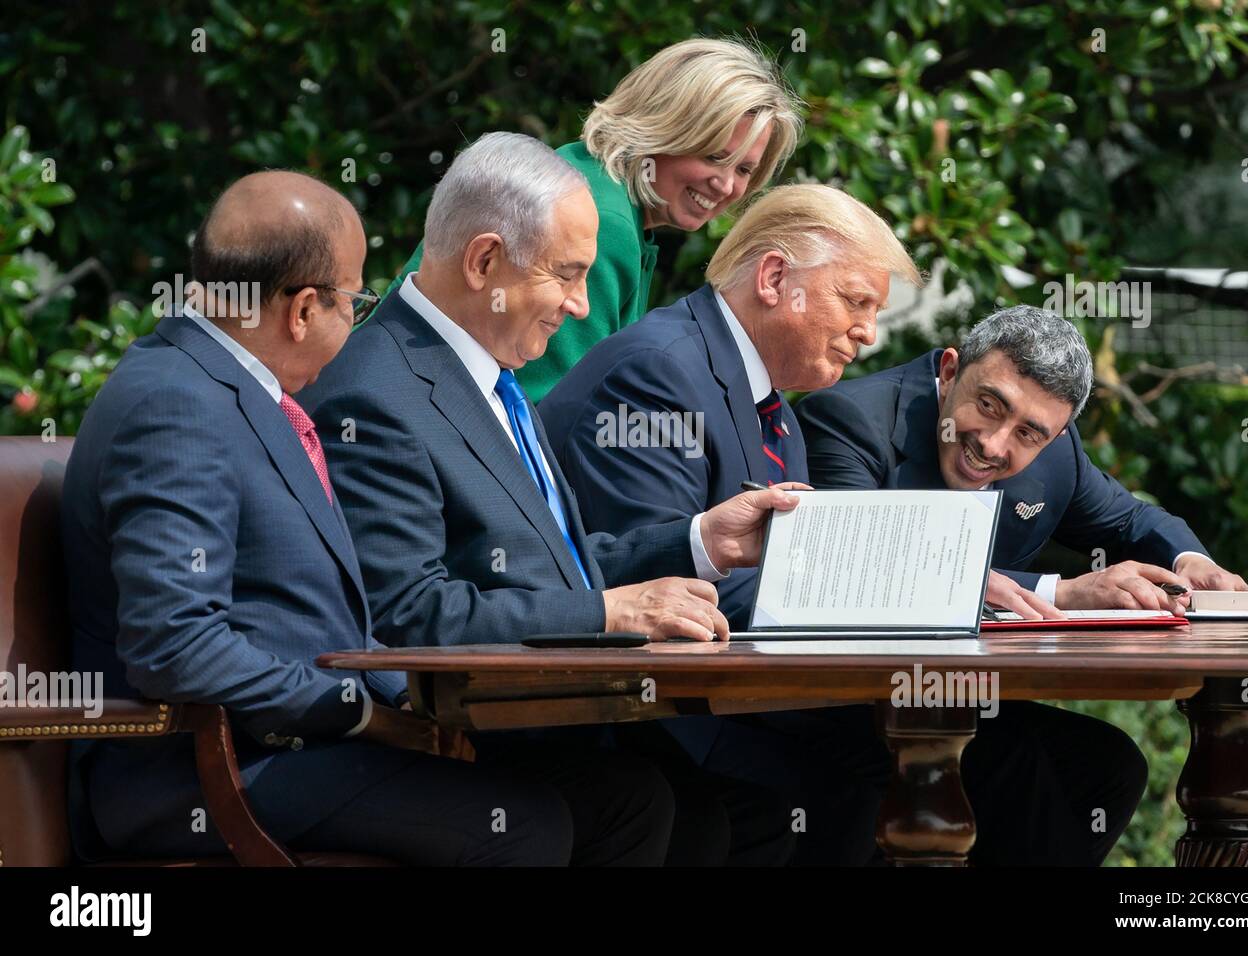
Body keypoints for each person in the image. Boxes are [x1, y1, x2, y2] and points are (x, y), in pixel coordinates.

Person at [62, 170, 666, 867]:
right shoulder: (176, 405)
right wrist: (362, 714)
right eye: (356, 298)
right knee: (521, 827)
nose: (362, 319)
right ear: (303, 310)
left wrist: (403, 714)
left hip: (293, 749)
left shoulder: (235, 391)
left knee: (624, 802)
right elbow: (174, 645)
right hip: (206, 771)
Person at [542, 187, 1141, 865]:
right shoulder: (659, 372)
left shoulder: (770, 405)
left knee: (1053, 763)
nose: (869, 333)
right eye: (856, 302)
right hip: (636, 716)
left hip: (737, 693)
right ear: (774, 280)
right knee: (885, 773)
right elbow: (648, 589)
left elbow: (788, 575)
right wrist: (922, 595)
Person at [301, 132, 806, 865]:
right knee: (656, 807)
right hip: (456, 738)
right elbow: (410, 614)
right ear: (484, 262)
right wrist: (611, 611)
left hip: (555, 717)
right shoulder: (375, 393)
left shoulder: (491, 369)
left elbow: (551, 563)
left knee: (737, 813)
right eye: (567, 275)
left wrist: (701, 541)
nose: (579, 306)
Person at [383, 37, 803, 402]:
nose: (726, 185)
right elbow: (559, 408)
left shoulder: (596, 181)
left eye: (744, 170)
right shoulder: (604, 221)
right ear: (662, 129)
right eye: (713, 156)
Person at [795, 305, 1248, 607]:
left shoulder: (1059, 454)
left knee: (1111, 758)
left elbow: (1131, 521)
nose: (993, 445)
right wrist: (1062, 591)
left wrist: (1190, 561)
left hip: (988, 690)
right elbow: (861, 568)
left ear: (1054, 436)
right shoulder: (846, 419)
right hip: (848, 699)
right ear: (950, 371)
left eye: (1030, 434)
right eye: (990, 405)